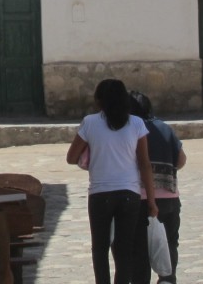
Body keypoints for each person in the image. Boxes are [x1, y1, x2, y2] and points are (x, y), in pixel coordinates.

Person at [67, 78, 158, 284]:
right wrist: (151, 201)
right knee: (125, 251)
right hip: (129, 193)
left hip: (100, 193)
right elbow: (145, 164)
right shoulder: (136, 123)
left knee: (99, 249)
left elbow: (71, 157)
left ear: (99, 101)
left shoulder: (90, 123)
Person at [129, 90, 186, 284]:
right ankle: (167, 279)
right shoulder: (164, 128)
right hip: (169, 197)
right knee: (170, 242)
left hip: (139, 198)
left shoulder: (130, 130)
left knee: (140, 249)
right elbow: (180, 160)